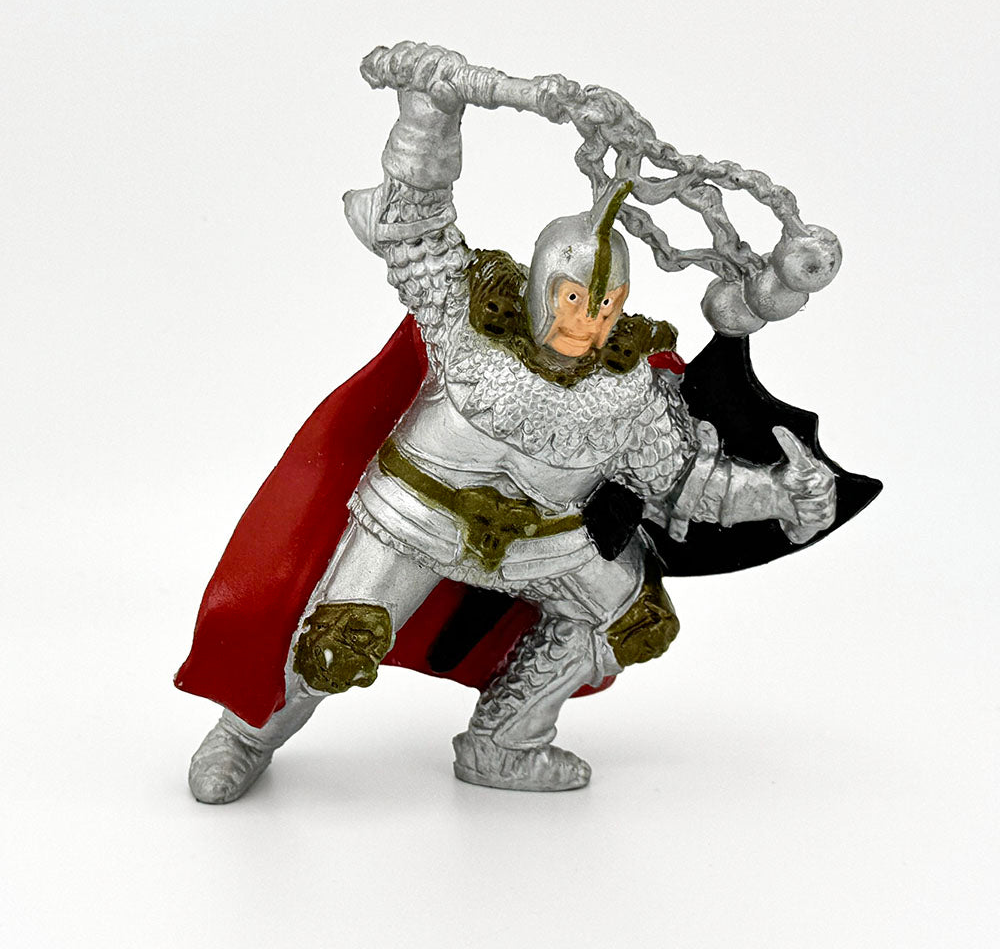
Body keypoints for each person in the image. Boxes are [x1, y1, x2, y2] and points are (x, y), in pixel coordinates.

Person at [183, 51, 836, 803]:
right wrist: (429, 114)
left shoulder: (630, 391)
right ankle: (247, 733)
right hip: (417, 520)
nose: (587, 323)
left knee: (632, 618)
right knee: (334, 645)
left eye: (604, 307)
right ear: (539, 289)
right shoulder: (468, 322)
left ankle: (505, 741)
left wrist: (784, 495)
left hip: (546, 542)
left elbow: (689, 482)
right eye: (573, 300)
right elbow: (413, 227)